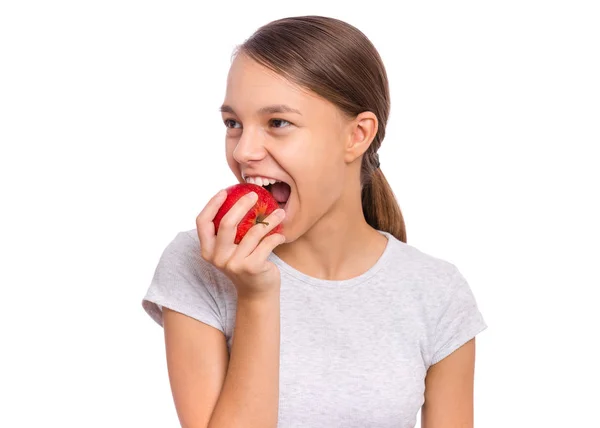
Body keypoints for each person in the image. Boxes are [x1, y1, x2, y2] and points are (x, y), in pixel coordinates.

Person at [142, 15, 487, 428]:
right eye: (233, 123)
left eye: (278, 123)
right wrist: (256, 297)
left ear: (356, 136)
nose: (244, 151)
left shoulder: (437, 293)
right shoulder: (198, 262)